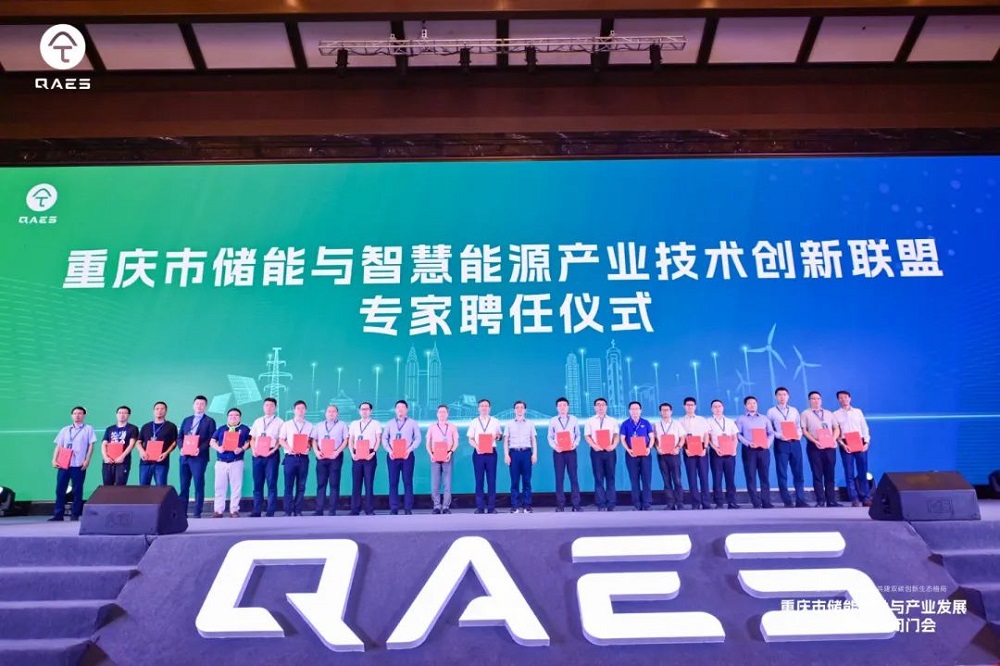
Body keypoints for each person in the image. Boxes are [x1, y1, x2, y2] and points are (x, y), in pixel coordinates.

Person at [49, 406, 96, 522]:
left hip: (78, 464)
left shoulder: (88, 429)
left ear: (84, 415)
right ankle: (58, 514)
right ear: (71, 415)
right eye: (75, 413)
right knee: (60, 490)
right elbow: (59, 446)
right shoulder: (65, 430)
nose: (77, 415)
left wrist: (87, 460)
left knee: (77, 490)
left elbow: (91, 446)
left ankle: (75, 514)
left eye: (80, 413)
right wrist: (54, 459)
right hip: (64, 464)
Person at [767, 387, 808, 508]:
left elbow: (798, 426)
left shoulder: (794, 410)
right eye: (779, 395)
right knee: (782, 473)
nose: (782, 397)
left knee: (798, 472)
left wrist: (798, 435)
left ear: (788, 396)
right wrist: (780, 435)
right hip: (781, 443)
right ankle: (787, 501)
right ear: (776, 397)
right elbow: (769, 430)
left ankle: (800, 499)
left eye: (784, 394)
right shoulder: (771, 412)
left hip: (795, 443)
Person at [178, 395, 217, 519]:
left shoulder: (209, 421)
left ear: (205, 406)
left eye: (202, 404)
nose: (199, 406)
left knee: (198, 485)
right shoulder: (186, 420)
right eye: (197, 403)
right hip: (185, 457)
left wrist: (199, 449)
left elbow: (211, 439)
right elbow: (180, 437)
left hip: (199, 458)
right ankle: (182, 513)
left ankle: (197, 512)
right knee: (184, 486)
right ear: (193, 405)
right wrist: (181, 448)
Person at [801, 391, 841, 507]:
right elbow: (804, 430)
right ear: (809, 400)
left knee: (830, 474)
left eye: (818, 398)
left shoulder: (829, 413)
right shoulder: (805, 413)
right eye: (813, 399)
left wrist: (833, 439)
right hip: (815, 446)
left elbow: (836, 428)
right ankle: (820, 500)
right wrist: (815, 441)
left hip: (830, 446)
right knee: (817, 474)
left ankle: (831, 500)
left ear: (821, 400)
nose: (816, 401)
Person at [833, 390, 873, 507]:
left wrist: (866, 442)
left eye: (846, 397)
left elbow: (864, 427)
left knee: (862, 471)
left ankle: (865, 497)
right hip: (845, 443)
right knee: (849, 471)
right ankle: (854, 498)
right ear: (838, 400)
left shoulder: (858, 412)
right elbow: (836, 431)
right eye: (841, 398)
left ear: (850, 398)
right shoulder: (835, 414)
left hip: (860, 441)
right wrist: (842, 444)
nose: (844, 399)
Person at [209, 408, 251, 518]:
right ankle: (218, 511)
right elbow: (212, 441)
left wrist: (241, 448)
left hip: (236, 461)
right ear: (227, 417)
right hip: (221, 462)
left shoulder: (245, 429)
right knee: (219, 487)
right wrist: (218, 448)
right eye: (231, 415)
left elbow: (249, 442)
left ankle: (234, 510)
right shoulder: (221, 428)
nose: (233, 417)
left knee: (236, 487)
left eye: (236, 415)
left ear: (240, 417)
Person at [383, 400, 422, 516]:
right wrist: (390, 450)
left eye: (402, 407)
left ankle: (408, 508)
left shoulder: (412, 423)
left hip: (407, 456)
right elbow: (384, 438)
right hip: (392, 456)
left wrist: (409, 450)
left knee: (408, 482)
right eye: (398, 407)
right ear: (395, 410)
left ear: (407, 409)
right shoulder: (390, 423)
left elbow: (418, 438)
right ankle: (394, 508)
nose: (400, 409)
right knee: (393, 482)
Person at [736, 396, 775, 509]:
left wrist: (768, 443)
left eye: (754, 403)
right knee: (750, 476)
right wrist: (748, 443)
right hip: (749, 450)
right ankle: (755, 502)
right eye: (749, 403)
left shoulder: (764, 418)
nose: (752, 405)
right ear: (745, 406)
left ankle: (766, 501)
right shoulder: (741, 419)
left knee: (764, 476)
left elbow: (771, 433)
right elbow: (738, 434)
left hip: (763, 450)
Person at [249, 397, 283, 517]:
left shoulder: (280, 422)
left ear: (275, 408)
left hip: (271, 455)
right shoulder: (258, 421)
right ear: (263, 407)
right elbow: (252, 438)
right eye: (266, 405)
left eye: (271, 405)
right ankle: (256, 510)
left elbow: (280, 440)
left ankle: (270, 510)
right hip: (257, 455)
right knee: (257, 484)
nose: (269, 408)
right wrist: (253, 450)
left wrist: (272, 451)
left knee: (271, 483)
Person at [312, 404, 348, 516]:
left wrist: (337, 452)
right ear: (325, 413)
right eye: (329, 411)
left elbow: (346, 440)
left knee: (334, 484)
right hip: (321, 457)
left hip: (335, 457)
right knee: (321, 484)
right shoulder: (319, 425)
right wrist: (316, 452)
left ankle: (332, 510)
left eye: (333, 411)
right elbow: (314, 440)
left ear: (337, 413)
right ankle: (319, 510)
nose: (331, 413)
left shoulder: (342, 425)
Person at [467, 398, 502, 514]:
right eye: (482, 406)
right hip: (478, 454)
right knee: (479, 480)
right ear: (478, 408)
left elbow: (500, 436)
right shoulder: (474, 422)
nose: (484, 408)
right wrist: (477, 446)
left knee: (492, 480)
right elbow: (470, 438)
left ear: (489, 408)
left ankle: (491, 507)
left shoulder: (495, 421)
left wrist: (496, 436)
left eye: (486, 406)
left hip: (491, 453)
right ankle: (480, 507)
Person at [584, 397, 619, 511]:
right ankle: (601, 504)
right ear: (594, 407)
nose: (600, 407)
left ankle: (611, 503)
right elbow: (587, 436)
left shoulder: (612, 421)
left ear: (606, 407)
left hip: (610, 451)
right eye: (598, 405)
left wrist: (613, 445)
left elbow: (616, 435)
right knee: (598, 478)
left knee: (610, 477)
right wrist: (594, 446)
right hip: (596, 452)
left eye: (603, 405)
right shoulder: (590, 421)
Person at [548, 397, 582, 512]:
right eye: (560, 405)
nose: (562, 407)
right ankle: (560, 504)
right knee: (559, 478)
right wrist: (555, 447)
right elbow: (550, 436)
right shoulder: (553, 420)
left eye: (564, 405)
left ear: (568, 407)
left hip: (571, 451)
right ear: (557, 408)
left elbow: (578, 434)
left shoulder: (574, 419)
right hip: (558, 452)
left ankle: (576, 504)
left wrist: (575, 444)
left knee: (574, 477)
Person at [279, 400, 312, 516]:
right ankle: (287, 511)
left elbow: (310, 442)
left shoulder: (309, 425)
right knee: (288, 485)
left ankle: (298, 510)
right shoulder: (287, 424)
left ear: (305, 410)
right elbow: (281, 439)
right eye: (298, 408)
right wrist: (289, 448)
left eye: (302, 408)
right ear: (294, 410)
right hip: (290, 458)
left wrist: (308, 447)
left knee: (301, 485)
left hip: (303, 458)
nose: (300, 411)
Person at [348, 402, 382, 516]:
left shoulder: (376, 423)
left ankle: (369, 509)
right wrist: (352, 453)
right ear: (359, 411)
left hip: (370, 454)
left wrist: (374, 452)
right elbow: (351, 439)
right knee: (356, 483)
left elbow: (378, 439)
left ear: (370, 411)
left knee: (369, 483)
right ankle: (355, 509)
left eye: (367, 409)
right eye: (362, 409)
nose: (364, 411)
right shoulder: (354, 423)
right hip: (356, 454)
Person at [505, 400, 538, 513]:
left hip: (526, 453)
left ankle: (527, 505)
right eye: (517, 407)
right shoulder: (509, 423)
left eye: (521, 407)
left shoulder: (530, 423)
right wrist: (506, 455)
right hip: (513, 453)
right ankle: (514, 506)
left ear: (525, 410)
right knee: (514, 481)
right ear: (514, 410)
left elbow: (533, 439)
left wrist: (534, 454)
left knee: (527, 481)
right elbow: (506, 441)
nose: (519, 409)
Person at [620, 401, 654, 511]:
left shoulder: (646, 422)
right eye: (632, 409)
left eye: (637, 409)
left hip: (645, 454)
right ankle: (637, 503)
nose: (635, 411)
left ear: (641, 410)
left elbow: (652, 437)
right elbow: (622, 439)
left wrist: (649, 448)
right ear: (629, 411)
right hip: (631, 454)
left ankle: (647, 503)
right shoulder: (625, 424)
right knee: (634, 479)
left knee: (646, 478)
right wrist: (628, 449)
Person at [707, 399, 740, 509]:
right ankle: (719, 502)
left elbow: (735, 437)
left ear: (723, 408)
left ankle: (732, 501)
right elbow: (708, 439)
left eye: (719, 406)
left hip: (730, 453)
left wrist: (733, 448)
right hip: (716, 453)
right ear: (712, 409)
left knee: (730, 478)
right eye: (715, 407)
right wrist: (716, 448)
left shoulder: (730, 421)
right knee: (717, 478)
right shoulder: (708, 421)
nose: (717, 408)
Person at [680, 397, 712, 510]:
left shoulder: (702, 420)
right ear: (684, 406)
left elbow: (706, 435)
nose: (690, 407)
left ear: (695, 406)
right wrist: (685, 449)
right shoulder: (680, 421)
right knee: (691, 477)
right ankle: (695, 503)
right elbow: (681, 437)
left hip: (702, 448)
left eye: (692, 405)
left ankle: (706, 503)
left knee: (704, 476)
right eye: (688, 405)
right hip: (688, 449)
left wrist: (705, 448)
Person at [426, 404, 458, 515]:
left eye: (444, 412)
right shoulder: (432, 427)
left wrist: (450, 452)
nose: (442, 414)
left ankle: (445, 506)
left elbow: (455, 442)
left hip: (448, 455)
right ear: (437, 414)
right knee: (435, 482)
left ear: (447, 414)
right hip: (435, 455)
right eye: (440, 412)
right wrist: (431, 454)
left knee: (447, 482)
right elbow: (428, 443)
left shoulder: (452, 427)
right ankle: (436, 506)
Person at [137, 402, 178, 487]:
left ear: (166, 411)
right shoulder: (146, 426)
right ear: (153, 411)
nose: (159, 411)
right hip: (145, 462)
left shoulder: (171, 426)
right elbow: (138, 442)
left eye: (162, 409)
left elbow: (174, 442)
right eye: (157, 409)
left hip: (161, 462)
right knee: (143, 488)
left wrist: (166, 453)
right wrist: (141, 451)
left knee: (161, 488)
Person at [654, 402, 685, 510]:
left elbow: (682, 438)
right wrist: (657, 448)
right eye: (663, 410)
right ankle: (670, 503)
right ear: (660, 412)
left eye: (667, 410)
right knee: (666, 480)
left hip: (674, 454)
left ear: (671, 411)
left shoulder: (677, 424)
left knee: (677, 479)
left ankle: (680, 503)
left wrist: (678, 447)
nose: (665, 412)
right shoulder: (656, 425)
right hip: (662, 455)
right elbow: (655, 440)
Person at [100, 405, 138, 487]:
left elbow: (132, 444)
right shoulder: (109, 429)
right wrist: (105, 457)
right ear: (116, 414)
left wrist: (122, 457)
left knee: (120, 486)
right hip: (108, 462)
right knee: (107, 486)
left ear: (129, 415)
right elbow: (104, 444)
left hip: (123, 462)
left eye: (124, 413)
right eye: (120, 413)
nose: (122, 415)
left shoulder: (133, 428)